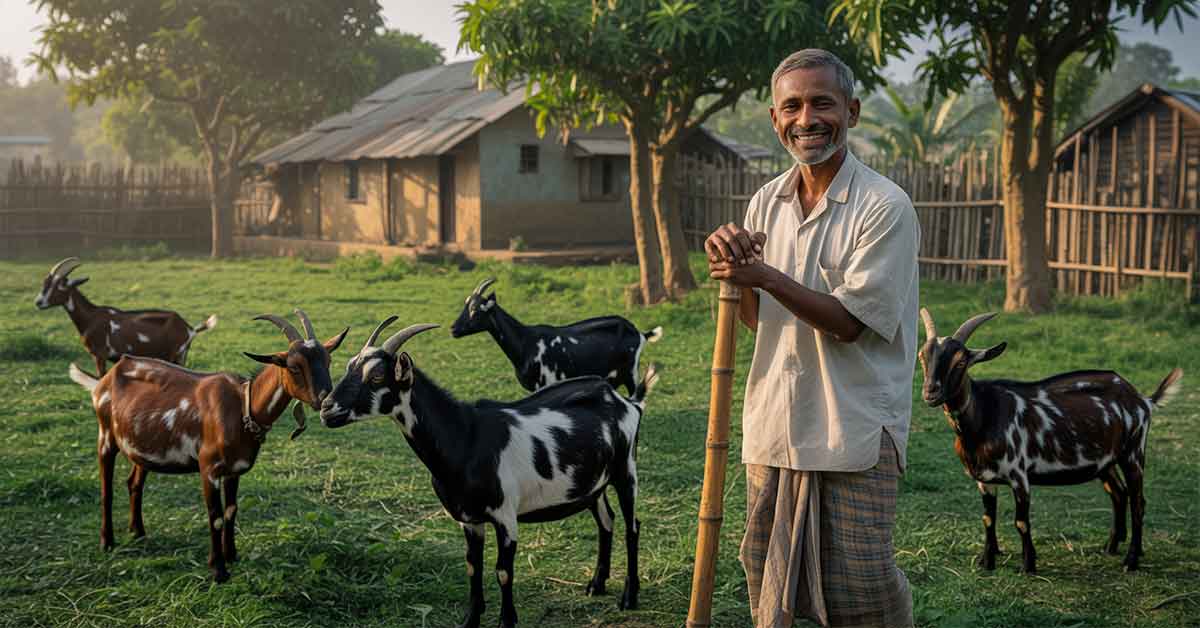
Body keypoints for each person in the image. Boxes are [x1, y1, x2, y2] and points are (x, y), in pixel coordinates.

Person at [705, 48, 918, 628]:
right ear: (775, 119)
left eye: (822, 103)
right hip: (776, 421)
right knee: (766, 569)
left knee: (862, 586)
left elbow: (849, 323)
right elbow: (759, 320)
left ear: (851, 111)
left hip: (853, 425)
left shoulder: (883, 206)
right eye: (792, 106)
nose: (807, 119)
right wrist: (732, 268)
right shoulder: (765, 201)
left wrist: (764, 275)